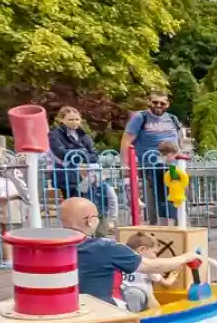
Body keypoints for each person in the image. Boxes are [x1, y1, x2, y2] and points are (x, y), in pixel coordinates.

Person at [60, 198, 197, 307]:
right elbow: (153, 266)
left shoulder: (50, 249)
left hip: (65, 309)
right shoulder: (104, 247)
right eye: (97, 217)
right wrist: (186, 257)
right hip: (102, 310)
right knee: (144, 294)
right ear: (90, 221)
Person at [119, 92, 187, 225]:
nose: (158, 105)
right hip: (152, 163)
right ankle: (164, 224)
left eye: (162, 103)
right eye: (155, 102)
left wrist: (180, 154)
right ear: (149, 102)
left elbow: (180, 139)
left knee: (178, 191)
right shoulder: (141, 117)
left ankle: (180, 224)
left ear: (167, 104)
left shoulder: (172, 118)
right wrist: (126, 164)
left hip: (173, 163)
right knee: (162, 195)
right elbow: (126, 141)